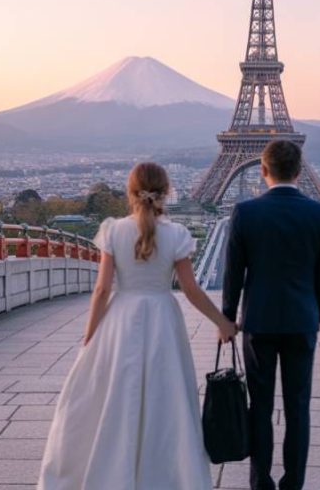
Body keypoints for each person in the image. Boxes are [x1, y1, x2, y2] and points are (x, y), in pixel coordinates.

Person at [38, 162, 237, 490]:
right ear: (166, 193)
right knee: (166, 397)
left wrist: (90, 336)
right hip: (162, 318)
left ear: (130, 192)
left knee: (115, 394)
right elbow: (190, 290)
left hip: (121, 318)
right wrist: (222, 322)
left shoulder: (113, 230)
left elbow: (102, 290)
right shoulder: (177, 235)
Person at [223, 140, 320, 490]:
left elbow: (233, 273)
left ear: (263, 170)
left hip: (258, 321)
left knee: (260, 405)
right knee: (298, 406)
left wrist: (227, 317)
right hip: (302, 320)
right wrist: (319, 312)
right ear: (300, 171)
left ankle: (261, 482)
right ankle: (293, 483)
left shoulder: (245, 212)